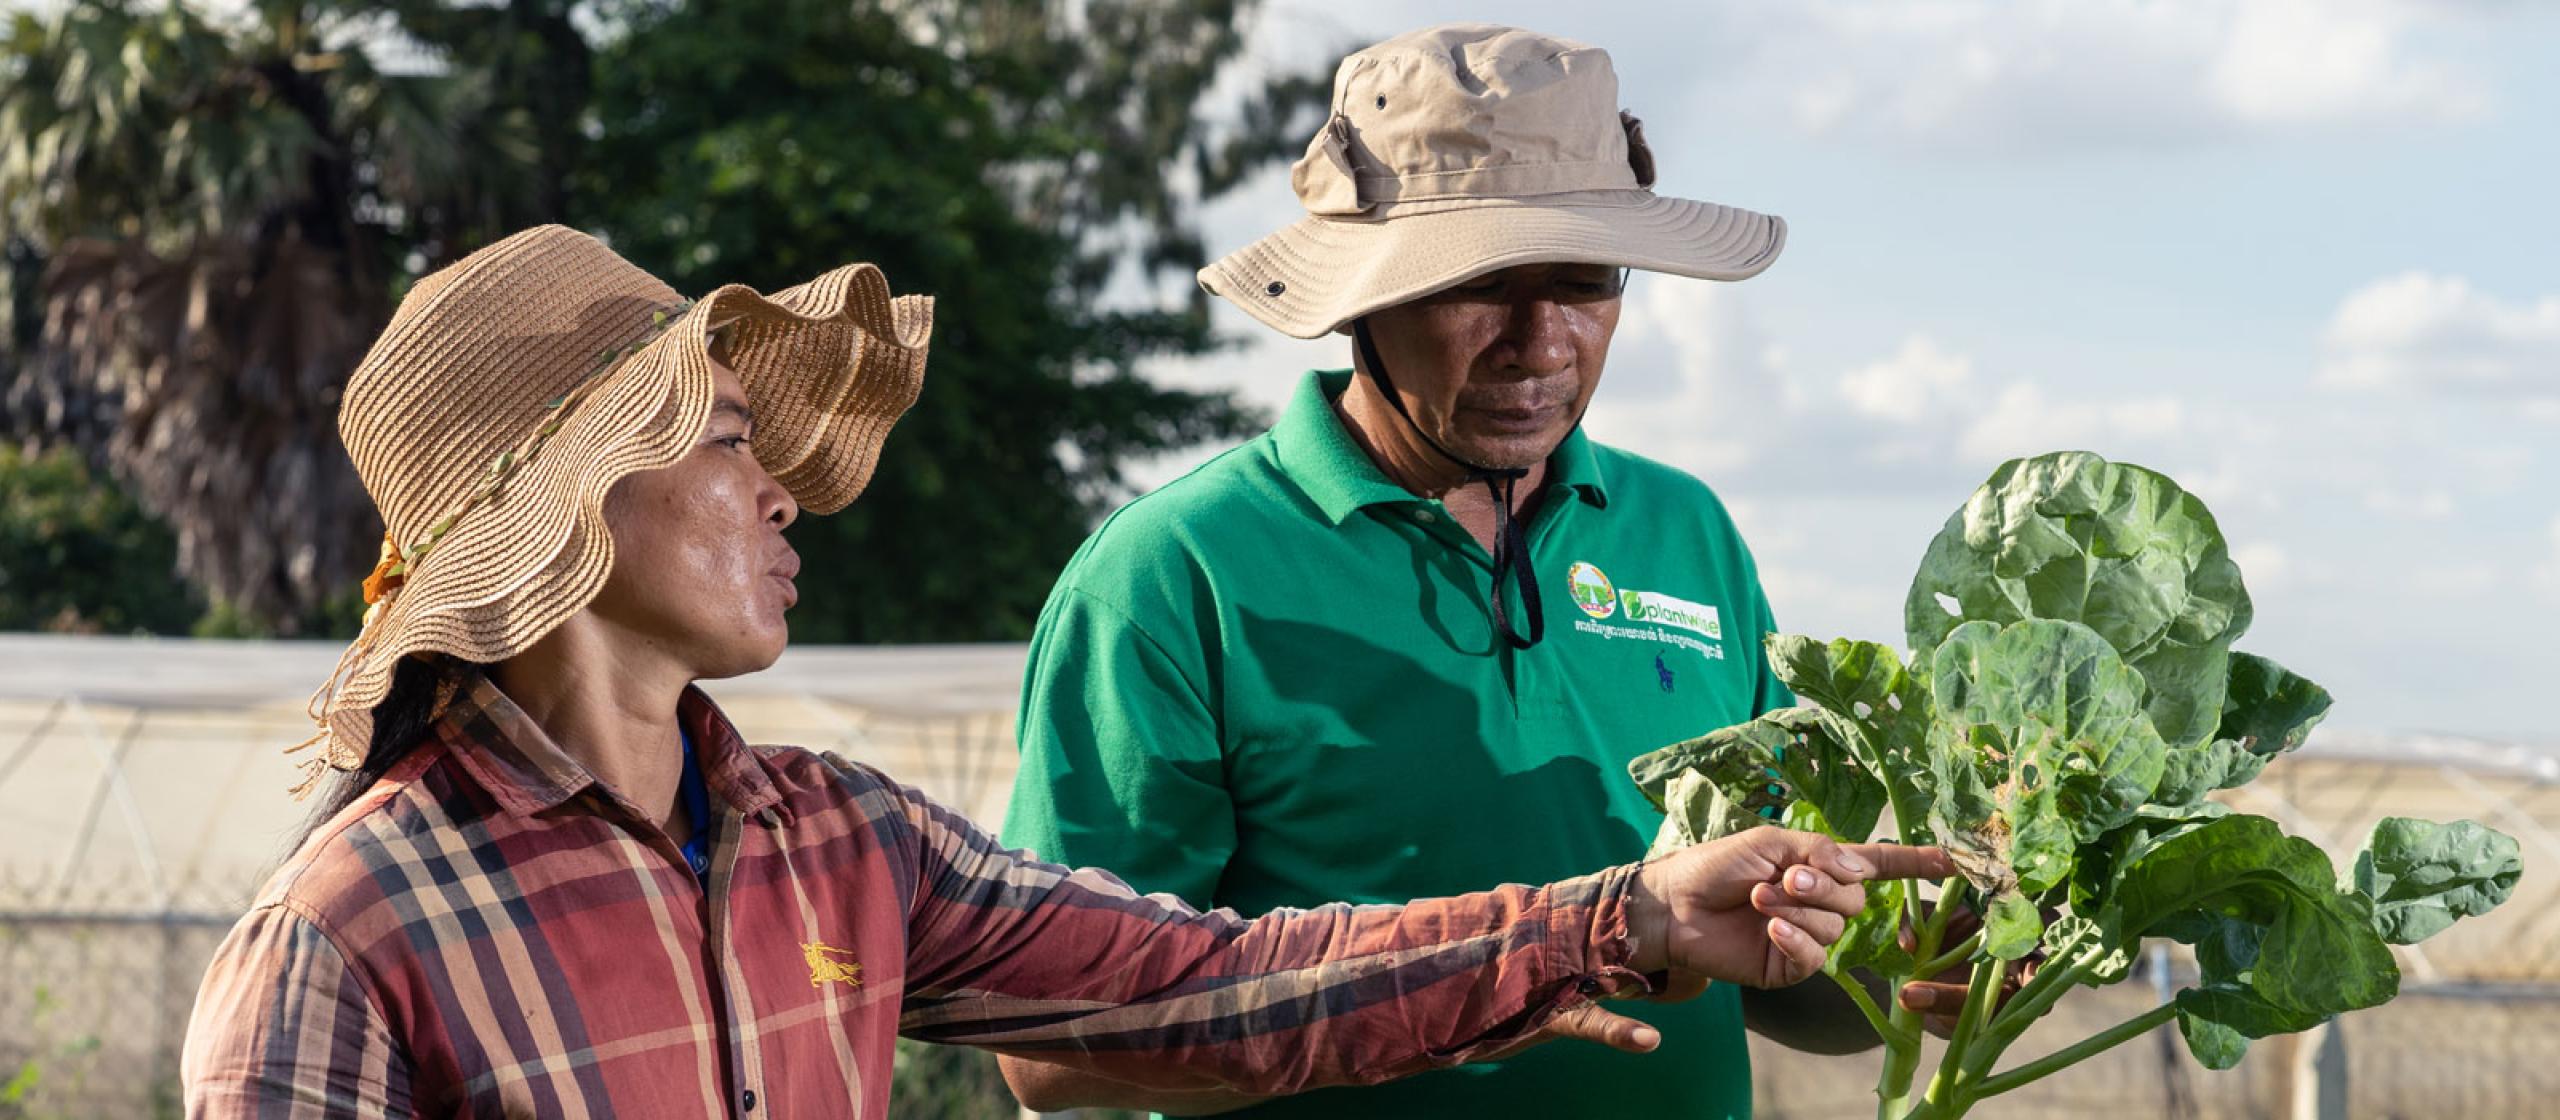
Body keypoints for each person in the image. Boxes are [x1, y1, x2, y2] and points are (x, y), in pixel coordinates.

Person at [177, 225, 1953, 1118]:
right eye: (723, 439)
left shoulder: (837, 843)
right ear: (560, 516)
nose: (781, 478)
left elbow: (1211, 986)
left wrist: (1619, 922)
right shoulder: (350, 940)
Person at [999, 24, 1986, 1118]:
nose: (1541, 341)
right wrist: (1541, 956)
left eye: (1583, 282)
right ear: (1362, 297)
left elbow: (1769, 960)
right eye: (1478, 287)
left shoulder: (1683, 531)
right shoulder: (1173, 574)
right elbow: (1052, 1044)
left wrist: (1920, 962)